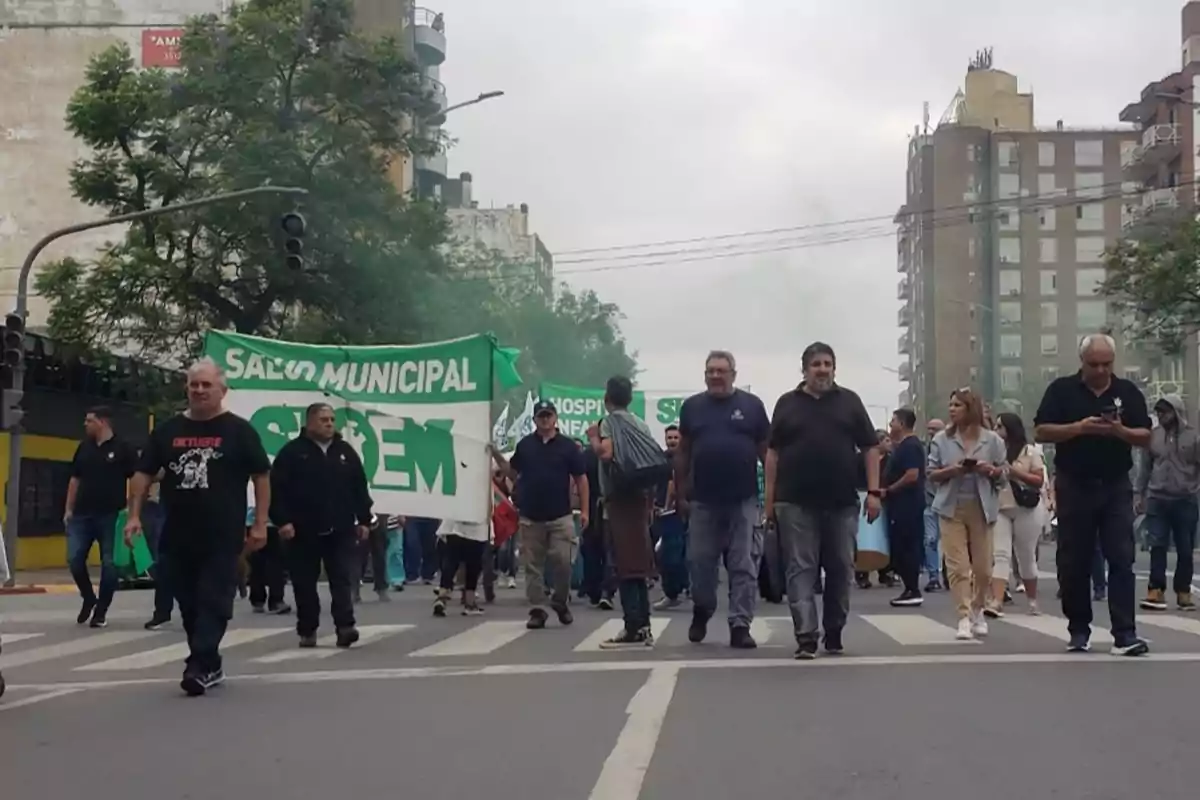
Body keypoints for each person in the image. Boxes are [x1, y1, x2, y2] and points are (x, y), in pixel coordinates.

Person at [124, 358, 272, 696]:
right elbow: (143, 473)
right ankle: (210, 661)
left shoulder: (239, 431)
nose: (200, 390)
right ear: (187, 388)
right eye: (194, 384)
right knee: (188, 602)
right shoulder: (167, 431)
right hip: (176, 532)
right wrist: (134, 515)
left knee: (211, 598)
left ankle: (198, 663)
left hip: (222, 534)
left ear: (222, 390)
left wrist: (260, 523)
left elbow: (261, 475)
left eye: (206, 385)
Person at [1034, 333, 1151, 655]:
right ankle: (1078, 629)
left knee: (1122, 558)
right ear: (1082, 361)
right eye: (1094, 364)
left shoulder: (1127, 392)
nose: (1100, 370)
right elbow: (1042, 430)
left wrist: (1119, 430)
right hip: (1074, 483)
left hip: (1115, 484)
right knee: (1074, 560)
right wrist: (1080, 427)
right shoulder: (1061, 389)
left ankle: (1125, 634)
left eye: (1107, 364)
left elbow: (1145, 436)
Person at [765, 342, 881, 659]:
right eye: (816, 364)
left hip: (842, 501)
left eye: (828, 363)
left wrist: (874, 492)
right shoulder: (786, 404)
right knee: (800, 569)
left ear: (835, 368)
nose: (823, 369)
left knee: (841, 568)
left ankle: (834, 631)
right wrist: (769, 501)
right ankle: (805, 636)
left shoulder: (850, 402)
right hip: (794, 502)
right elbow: (772, 454)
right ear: (804, 369)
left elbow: (871, 448)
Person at [676, 350, 770, 649]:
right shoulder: (691, 408)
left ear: (733, 374)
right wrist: (679, 493)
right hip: (703, 501)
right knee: (700, 563)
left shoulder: (752, 407)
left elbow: (767, 454)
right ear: (705, 375)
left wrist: (771, 495)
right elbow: (684, 453)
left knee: (743, 564)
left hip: (743, 500)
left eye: (721, 371)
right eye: (710, 371)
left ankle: (740, 625)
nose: (716, 376)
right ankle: (702, 610)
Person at [270, 402, 373, 650]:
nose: (329, 424)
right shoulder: (292, 453)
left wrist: (364, 519)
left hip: (340, 527)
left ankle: (345, 627)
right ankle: (308, 629)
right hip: (302, 530)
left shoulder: (345, 452)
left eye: (331, 420)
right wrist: (282, 521)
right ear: (309, 423)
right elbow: (277, 490)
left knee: (342, 578)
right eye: (323, 420)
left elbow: (359, 487)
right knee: (304, 582)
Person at [490, 400, 589, 630]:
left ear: (555, 418)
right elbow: (513, 473)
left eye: (549, 415)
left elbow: (581, 479)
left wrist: (584, 510)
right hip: (531, 516)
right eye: (541, 416)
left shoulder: (567, 447)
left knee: (564, 561)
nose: (545, 420)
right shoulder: (525, 446)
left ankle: (560, 600)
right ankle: (537, 610)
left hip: (560, 516)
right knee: (533, 566)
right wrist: (495, 454)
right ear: (534, 420)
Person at [927, 387, 1006, 641]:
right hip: (951, 507)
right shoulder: (941, 439)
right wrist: (953, 470)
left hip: (983, 507)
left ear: (970, 409)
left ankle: (978, 608)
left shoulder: (992, 440)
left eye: (958, 405)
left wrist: (990, 471)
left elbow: (1004, 475)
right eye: (951, 405)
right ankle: (963, 616)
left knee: (983, 568)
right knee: (958, 566)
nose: (952, 409)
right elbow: (931, 474)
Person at [588, 376, 660, 648]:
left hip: (619, 500)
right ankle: (643, 622)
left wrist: (594, 438)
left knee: (624, 564)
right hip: (639, 499)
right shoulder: (640, 424)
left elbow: (606, 454)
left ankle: (634, 626)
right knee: (638, 563)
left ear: (607, 399)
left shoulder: (608, 423)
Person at [63, 407, 137, 629]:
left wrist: (133, 513)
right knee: (74, 560)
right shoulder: (83, 448)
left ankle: (101, 611)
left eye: (89, 421)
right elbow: (74, 479)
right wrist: (68, 509)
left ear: (103, 422)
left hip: (111, 515)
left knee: (110, 564)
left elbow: (135, 481)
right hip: (82, 515)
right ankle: (88, 597)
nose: (85, 424)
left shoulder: (123, 448)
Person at [1136, 394, 1199, 612]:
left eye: (1165, 412)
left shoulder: (1194, 437)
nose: (1161, 416)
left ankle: (1183, 592)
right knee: (1157, 545)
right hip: (1158, 499)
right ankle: (1155, 590)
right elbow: (1145, 468)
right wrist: (1139, 494)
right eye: (1159, 412)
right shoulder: (1153, 436)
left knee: (1185, 548)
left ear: (1177, 412)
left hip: (1185, 499)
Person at [991, 412, 1045, 616]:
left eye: (1000, 427)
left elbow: (1038, 480)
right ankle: (996, 601)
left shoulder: (1029, 452)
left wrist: (1014, 473)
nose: (996, 431)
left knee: (1026, 556)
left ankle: (1032, 600)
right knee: (1000, 555)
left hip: (1026, 508)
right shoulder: (993, 452)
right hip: (1001, 507)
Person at [882, 408, 926, 607]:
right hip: (900, 504)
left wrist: (890, 489)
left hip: (907, 505)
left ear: (902, 423)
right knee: (900, 545)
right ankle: (909, 588)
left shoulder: (910, 446)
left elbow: (912, 474)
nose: (890, 425)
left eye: (893, 421)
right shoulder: (902, 447)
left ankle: (912, 588)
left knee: (907, 545)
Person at [922, 419, 946, 591]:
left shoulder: (950, 450)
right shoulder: (924, 451)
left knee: (952, 543)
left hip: (948, 501)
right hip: (930, 501)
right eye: (929, 429)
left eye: (935, 429)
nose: (931, 432)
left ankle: (949, 575)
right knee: (930, 540)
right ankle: (933, 577)